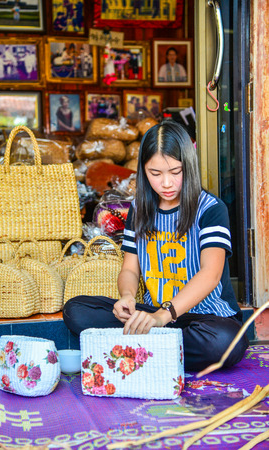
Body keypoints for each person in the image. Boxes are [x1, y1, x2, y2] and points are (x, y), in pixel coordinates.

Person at [63, 120, 249, 372]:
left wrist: (164, 316)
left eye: (175, 171)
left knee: (226, 343)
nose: (167, 183)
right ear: (143, 170)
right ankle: (161, 349)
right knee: (77, 311)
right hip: (152, 314)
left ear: (189, 166)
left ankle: (139, 350)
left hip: (205, 318)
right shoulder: (139, 210)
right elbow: (130, 269)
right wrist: (128, 297)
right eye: (155, 173)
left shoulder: (211, 209)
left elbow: (211, 274)